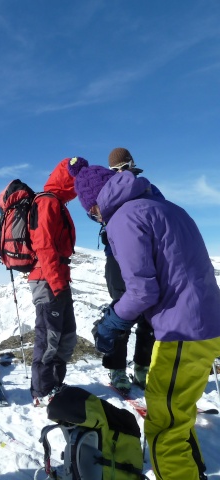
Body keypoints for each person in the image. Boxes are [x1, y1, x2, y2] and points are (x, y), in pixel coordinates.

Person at [68, 156, 220, 480]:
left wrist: (111, 322)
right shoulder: (165, 207)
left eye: (90, 212)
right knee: (176, 414)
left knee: (163, 427)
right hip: (206, 322)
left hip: (182, 330)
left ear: (95, 204)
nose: (94, 218)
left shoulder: (123, 219)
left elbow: (142, 292)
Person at [97, 148, 156, 392]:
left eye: (123, 166)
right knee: (126, 311)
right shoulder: (137, 187)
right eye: (117, 169)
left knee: (144, 313)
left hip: (135, 256)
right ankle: (121, 370)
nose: (121, 171)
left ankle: (136, 368)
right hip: (122, 257)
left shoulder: (145, 187)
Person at [27, 158, 79, 407]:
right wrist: (56, 282)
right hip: (47, 279)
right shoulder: (47, 201)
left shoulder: (59, 202)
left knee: (66, 335)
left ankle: (55, 383)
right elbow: (44, 245)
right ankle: (41, 390)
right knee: (49, 337)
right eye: (76, 178)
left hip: (58, 278)